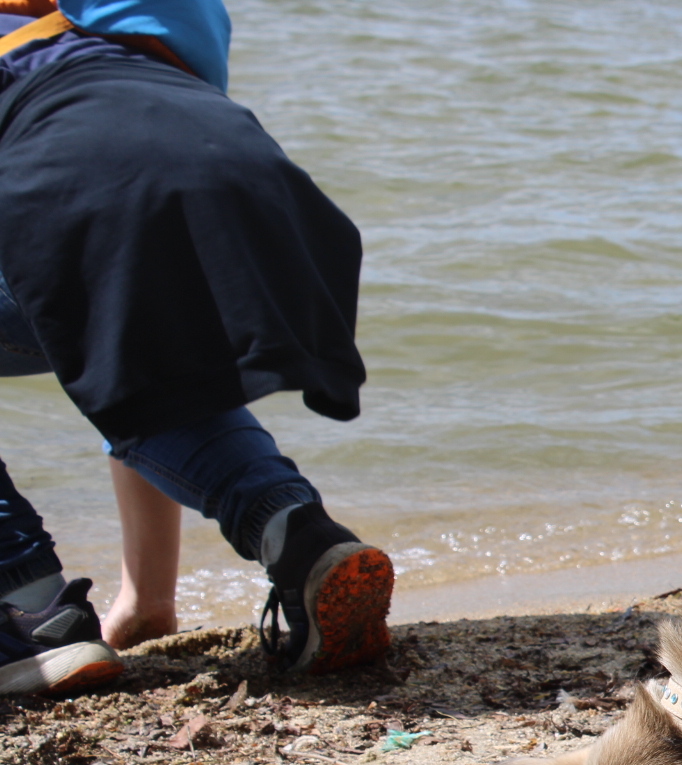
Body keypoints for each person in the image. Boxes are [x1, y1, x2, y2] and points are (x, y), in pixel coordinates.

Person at [0, 0, 390, 696]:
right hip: (243, 173)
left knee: (93, 296)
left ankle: (26, 611)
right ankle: (296, 534)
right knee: (131, 338)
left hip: (68, 178)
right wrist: (147, 605)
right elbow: (136, 370)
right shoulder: (91, 28)